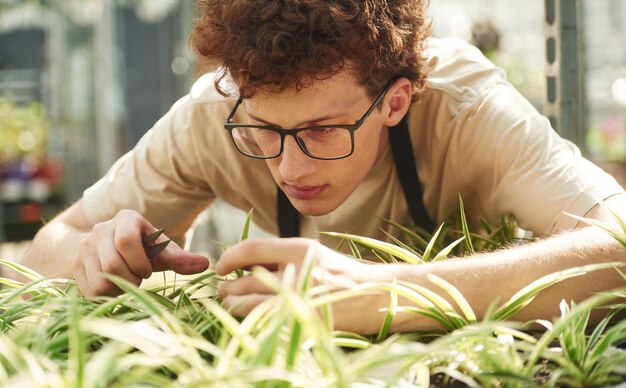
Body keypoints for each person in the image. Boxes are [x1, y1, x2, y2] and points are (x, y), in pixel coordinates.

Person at [17, 0, 626, 335]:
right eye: (265, 130)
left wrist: (382, 294)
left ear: (396, 100)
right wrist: (92, 256)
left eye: (321, 130)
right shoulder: (217, 112)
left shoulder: (464, 105)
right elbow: (48, 244)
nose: (288, 165)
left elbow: (619, 245)